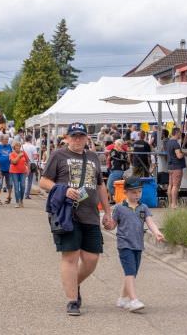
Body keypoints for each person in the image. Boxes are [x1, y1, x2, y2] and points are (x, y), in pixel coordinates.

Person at [40, 122, 112, 316]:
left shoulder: (93, 157)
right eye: (74, 136)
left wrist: (108, 212)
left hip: (91, 214)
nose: (78, 139)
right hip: (67, 214)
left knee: (91, 258)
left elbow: (100, 186)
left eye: (81, 136)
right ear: (67, 138)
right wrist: (62, 188)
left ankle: (73, 283)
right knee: (70, 256)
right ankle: (72, 300)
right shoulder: (58, 155)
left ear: (87, 138)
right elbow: (43, 181)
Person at [106, 176, 165, 312]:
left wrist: (157, 232)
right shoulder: (119, 208)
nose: (137, 195)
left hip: (138, 244)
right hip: (124, 244)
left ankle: (122, 299)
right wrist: (107, 225)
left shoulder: (143, 207)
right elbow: (112, 225)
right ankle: (133, 300)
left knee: (132, 273)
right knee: (130, 271)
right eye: (134, 192)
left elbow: (149, 222)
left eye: (139, 192)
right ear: (125, 192)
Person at [166, 128, 186, 209]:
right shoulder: (175, 144)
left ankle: (170, 204)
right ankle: (174, 204)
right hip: (177, 166)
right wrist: (183, 153)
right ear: (177, 133)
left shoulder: (168, 142)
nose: (180, 135)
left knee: (170, 185)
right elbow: (179, 156)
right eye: (180, 133)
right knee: (176, 186)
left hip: (170, 166)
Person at [107, 139, 129, 204]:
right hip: (121, 171)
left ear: (118, 144)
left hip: (116, 170)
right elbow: (127, 160)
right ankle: (119, 199)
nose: (114, 145)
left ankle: (118, 198)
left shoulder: (113, 151)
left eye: (115, 144)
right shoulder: (124, 153)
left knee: (109, 185)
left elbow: (111, 158)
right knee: (118, 186)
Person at [9, 141, 29, 208]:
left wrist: (28, 169)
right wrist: (19, 156)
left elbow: (28, 161)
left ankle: (21, 200)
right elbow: (14, 162)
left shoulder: (23, 153)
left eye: (19, 146)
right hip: (14, 172)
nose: (18, 148)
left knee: (23, 186)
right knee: (16, 187)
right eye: (16, 146)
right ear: (14, 147)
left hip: (23, 172)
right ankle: (17, 202)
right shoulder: (11, 154)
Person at [0, 134, 13, 205]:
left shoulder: (9, 146)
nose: (7, 141)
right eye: (6, 140)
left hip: (9, 168)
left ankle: (9, 197)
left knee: (10, 184)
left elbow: (12, 154)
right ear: (1, 139)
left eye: (7, 139)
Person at [22, 134, 38, 200]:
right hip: (31, 164)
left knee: (23, 179)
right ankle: (27, 194)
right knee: (30, 180)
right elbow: (35, 157)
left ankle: (21, 193)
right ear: (30, 139)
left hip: (23, 164)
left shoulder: (22, 146)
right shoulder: (33, 147)